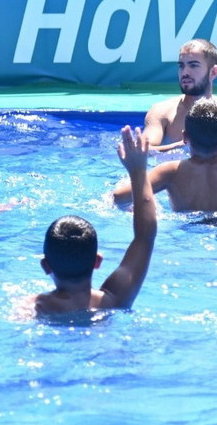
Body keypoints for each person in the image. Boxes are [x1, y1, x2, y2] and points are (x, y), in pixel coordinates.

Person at [33, 125, 157, 316]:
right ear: (97, 261)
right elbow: (145, 236)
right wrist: (138, 170)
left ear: (45, 265)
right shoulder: (116, 300)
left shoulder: (34, 308)